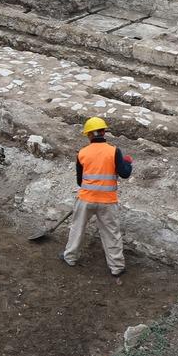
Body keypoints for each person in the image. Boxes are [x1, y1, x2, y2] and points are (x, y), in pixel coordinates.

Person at [61, 117, 134, 276]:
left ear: (89, 135)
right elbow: (125, 173)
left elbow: (80, 181)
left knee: (77, 229)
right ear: (104, 132)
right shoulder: (114, 151)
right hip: (108, 201)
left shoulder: (82, 153)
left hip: (86, 199)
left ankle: (70, 257)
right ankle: (117, 267)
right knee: (111, 233)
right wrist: (127, 162)